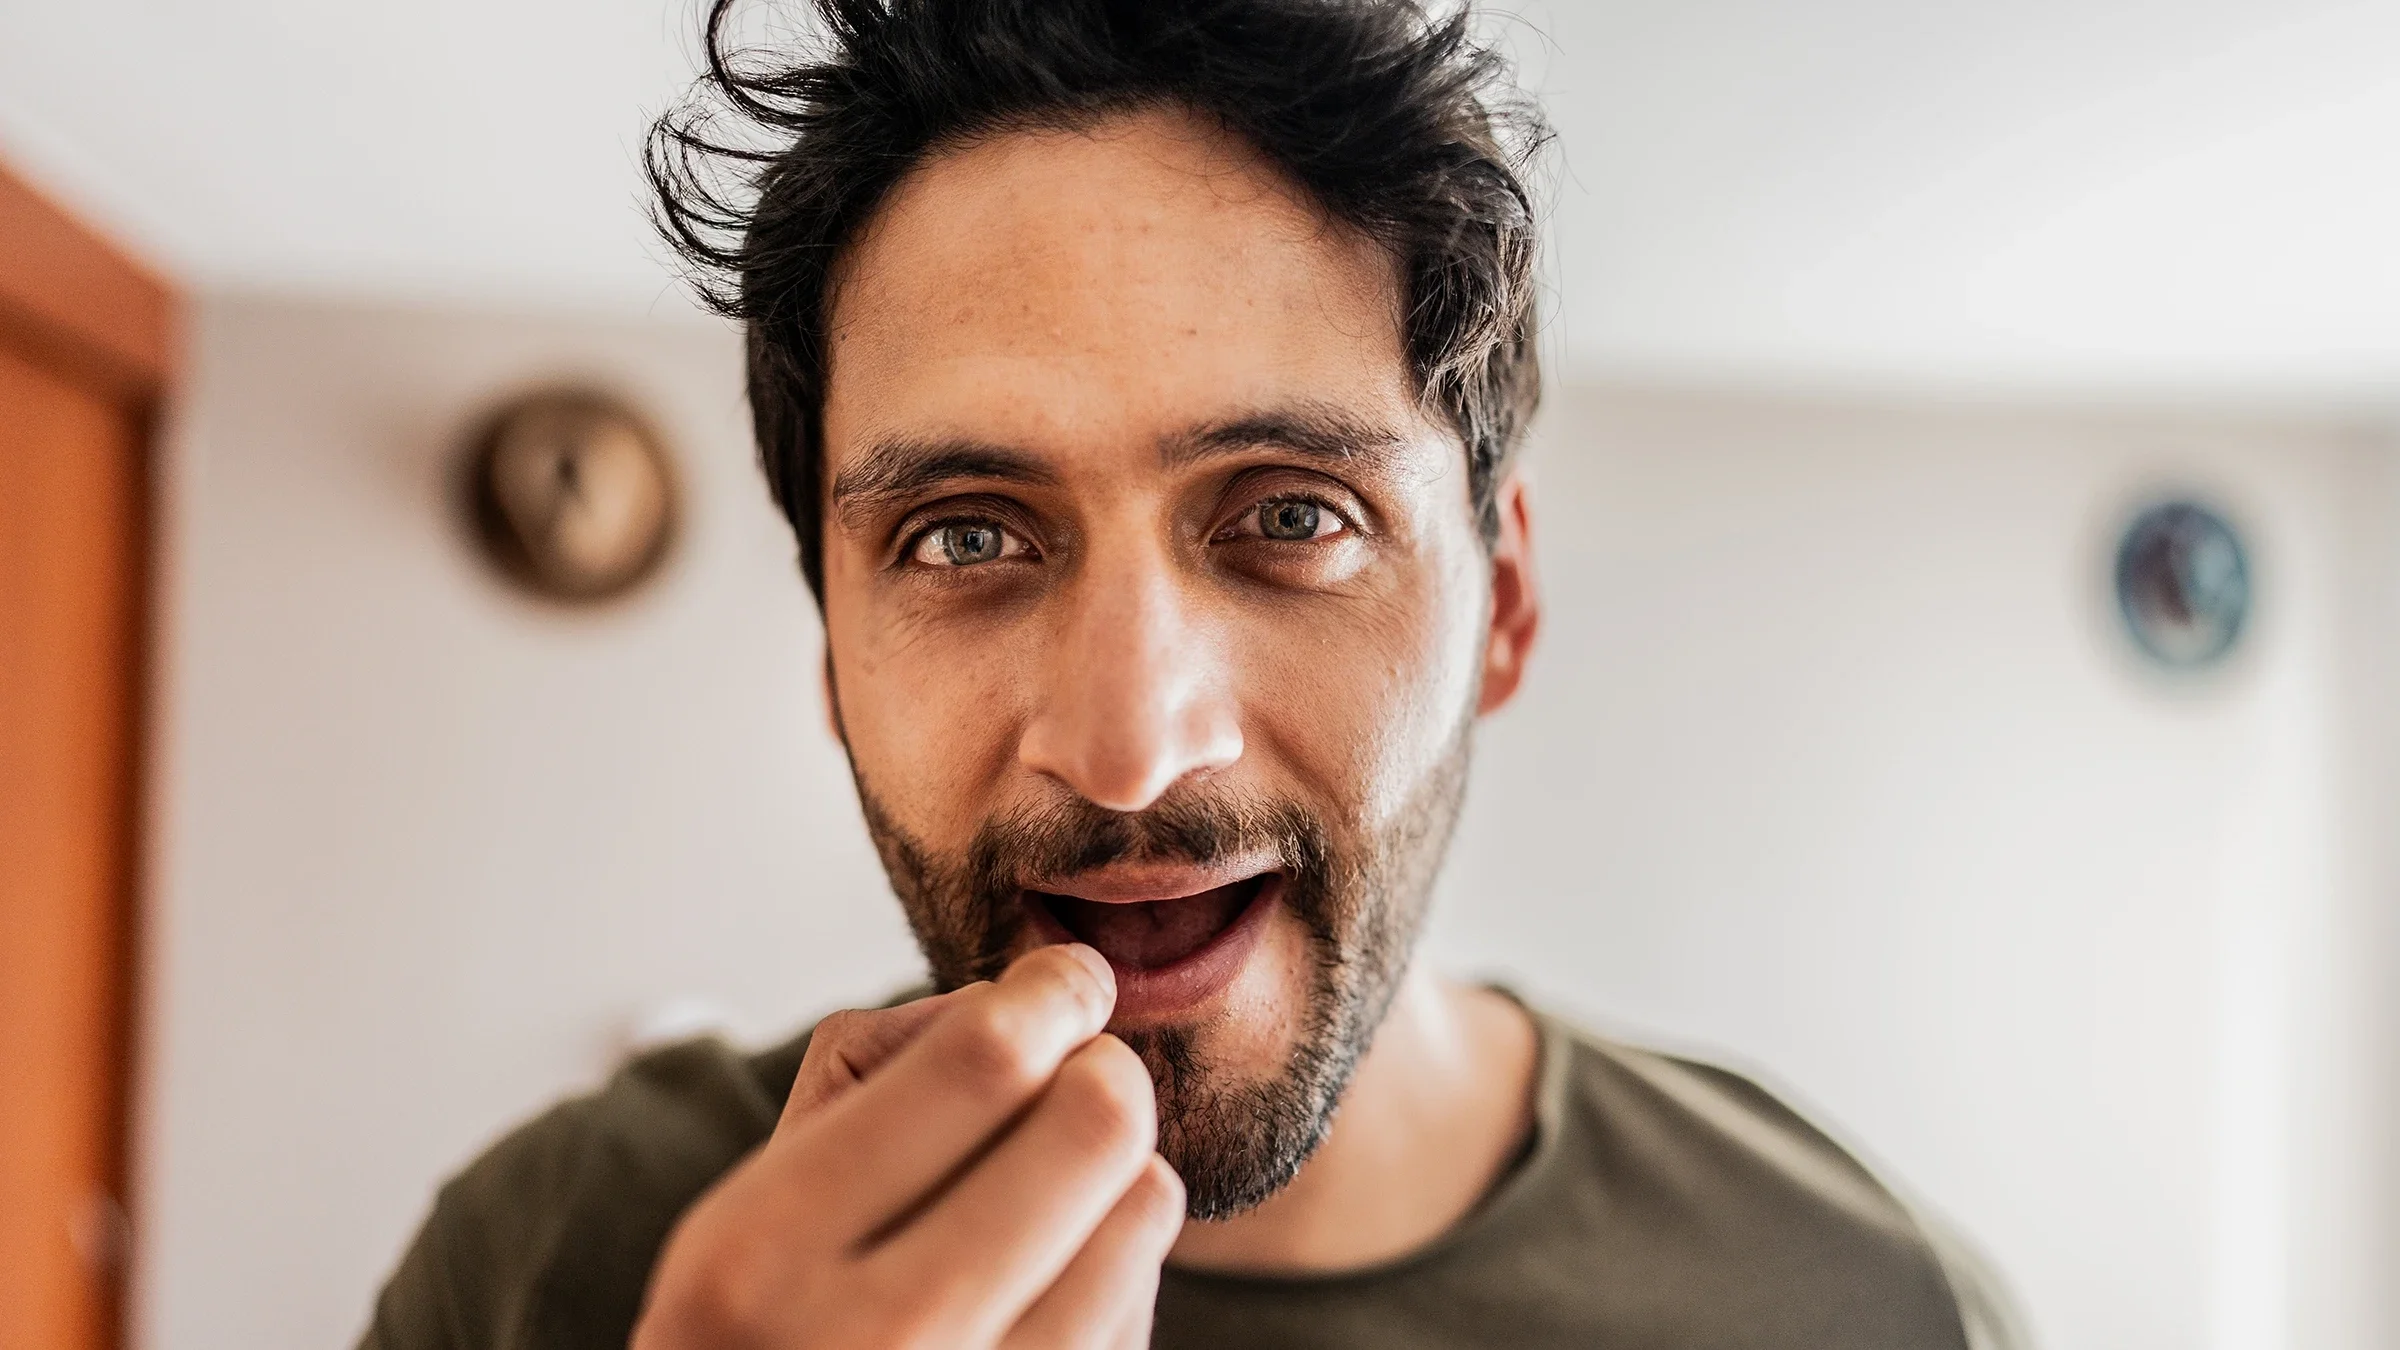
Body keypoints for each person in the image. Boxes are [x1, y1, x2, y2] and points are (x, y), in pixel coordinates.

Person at [362, 2, 2025, 1346]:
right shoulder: (548, 1270)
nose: (1130, 746)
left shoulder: (1869, 1306)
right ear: (830, 649)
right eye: (962, 537)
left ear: (1503, 604)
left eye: (1293, 514)